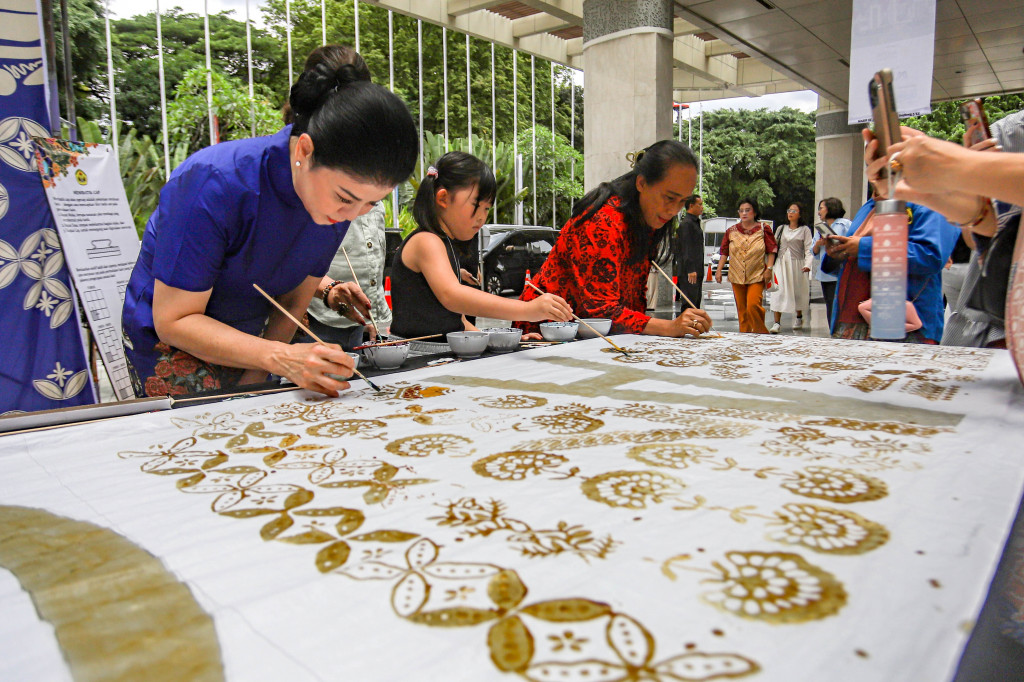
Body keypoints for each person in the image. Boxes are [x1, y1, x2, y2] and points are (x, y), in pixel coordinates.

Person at [121, 50, 419, 398]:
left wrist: (259, 376)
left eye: (370, 203)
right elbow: (175, 320)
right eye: (345, 197)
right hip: (176, 338)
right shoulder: (214, 182)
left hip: (255, 333)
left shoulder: (336, 206)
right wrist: (280, 358)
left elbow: (293, 302)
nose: (351, 215)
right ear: (304, 152)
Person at [514, 140, 713, 338]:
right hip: (546, 331)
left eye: (682, 201)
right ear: (641, 183)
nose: (674, 210)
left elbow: (633, 298)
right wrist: (669, 327)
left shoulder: (646, 220)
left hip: (594, 335)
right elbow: (600, 311)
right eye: (669, 198)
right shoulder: (601, 222)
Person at [390, 151, 572, 340]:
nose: (482, 217)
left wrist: (499, 341)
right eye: (476, 205)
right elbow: (453, 296)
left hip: (438, 352)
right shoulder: (427, 241)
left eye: (487, 208)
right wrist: (527, 309)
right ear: (443, 198)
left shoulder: (446, 244)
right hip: (418, 355)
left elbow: (454, 319)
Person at [284, 46, 389, 351]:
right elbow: (286, 261)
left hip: (350, 314)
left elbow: (370, 254)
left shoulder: (361, 157)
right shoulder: (295, 168)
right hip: (308, 317)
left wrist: (373, 315)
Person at [822, 179, 957, 344]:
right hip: (851, 323)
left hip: (905, 325)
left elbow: (931, 255)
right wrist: (840, 252)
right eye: (871, 163)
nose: (874, 173)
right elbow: (855, 254)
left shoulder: (931, 198)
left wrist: (864, 248)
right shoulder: (872, 204)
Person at [715, 198, 777, 334]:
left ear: (754, 212)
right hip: (736, 274)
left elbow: (771, 249)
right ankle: (745, 336)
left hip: (757, 273)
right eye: (741, 211)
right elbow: (724, 252)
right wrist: (719, 270)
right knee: (742, 310)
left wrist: (769, 269)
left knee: (753, 305)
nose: (744, 213)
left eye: (747, 210)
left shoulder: (763, 228)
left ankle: (761, 332)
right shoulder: (731, 231)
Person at [769, 202, 814, 333]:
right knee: (778, 291)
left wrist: (807, 265)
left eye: (794, 211)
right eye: (789, 210)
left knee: (797, 291)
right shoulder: (781, 228)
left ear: (800, 214)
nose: (790, 213)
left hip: (797, 264)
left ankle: (798, 316)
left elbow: (808, 249)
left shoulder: (805, 230)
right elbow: (773, 246)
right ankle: (777, 322)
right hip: (781, 264)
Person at [812, 197, 852, 329]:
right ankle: (833, 331)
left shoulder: (845, 224)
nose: (819, 212)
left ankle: (843, 331)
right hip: (826, 272)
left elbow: (849, 242)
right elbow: (814, 252)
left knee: (842, 303)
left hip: (841, 270)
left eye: (821, 208)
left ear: (831, 208)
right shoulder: (821, 228)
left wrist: (832, 240)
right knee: (830, 304)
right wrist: (818, 244)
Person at [673, 194, 705, 311]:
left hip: (697, 269)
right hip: (690, 271)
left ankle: (694, 327)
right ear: (691, 206)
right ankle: (686, 328)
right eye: (699, 204)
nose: (702, 207)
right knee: (689, 303)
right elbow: (686, 248)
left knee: (695, 302)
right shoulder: (686, 224)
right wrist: (691, 269)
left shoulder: (695, 223)